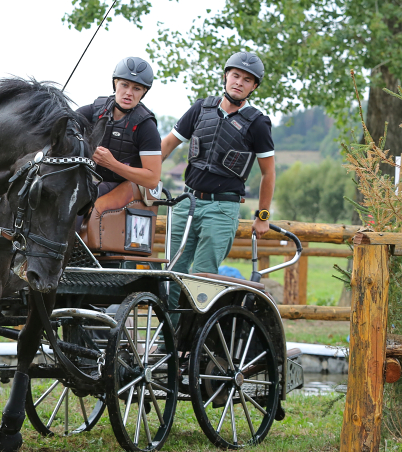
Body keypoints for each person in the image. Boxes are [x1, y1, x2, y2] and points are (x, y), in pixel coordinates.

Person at [160, 51, 275, 314]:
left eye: (247, 79)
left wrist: (263, 215)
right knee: (170, 272)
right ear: (226, 76)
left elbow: (268, 173)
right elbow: (166, 146)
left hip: (222, 210)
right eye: (235, 75)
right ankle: (168, 346)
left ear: (254, 86)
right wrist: (145, 178)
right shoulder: (201, 108)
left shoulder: (258, 123)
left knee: (202, 278)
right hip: (187, 202)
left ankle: (194, 347)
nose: (239, 82)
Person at [76, 56, 162, 229]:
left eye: (136, 88)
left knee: (76, 198)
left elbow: (153, 179)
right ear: (115, 83)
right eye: (124, 85)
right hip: (89, 179)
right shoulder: (94, 110)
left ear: (144, 92)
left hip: (122, 186)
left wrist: (112, 164)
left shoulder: (146, 126)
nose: (129, 93)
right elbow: (64, 124)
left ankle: (66, 252)